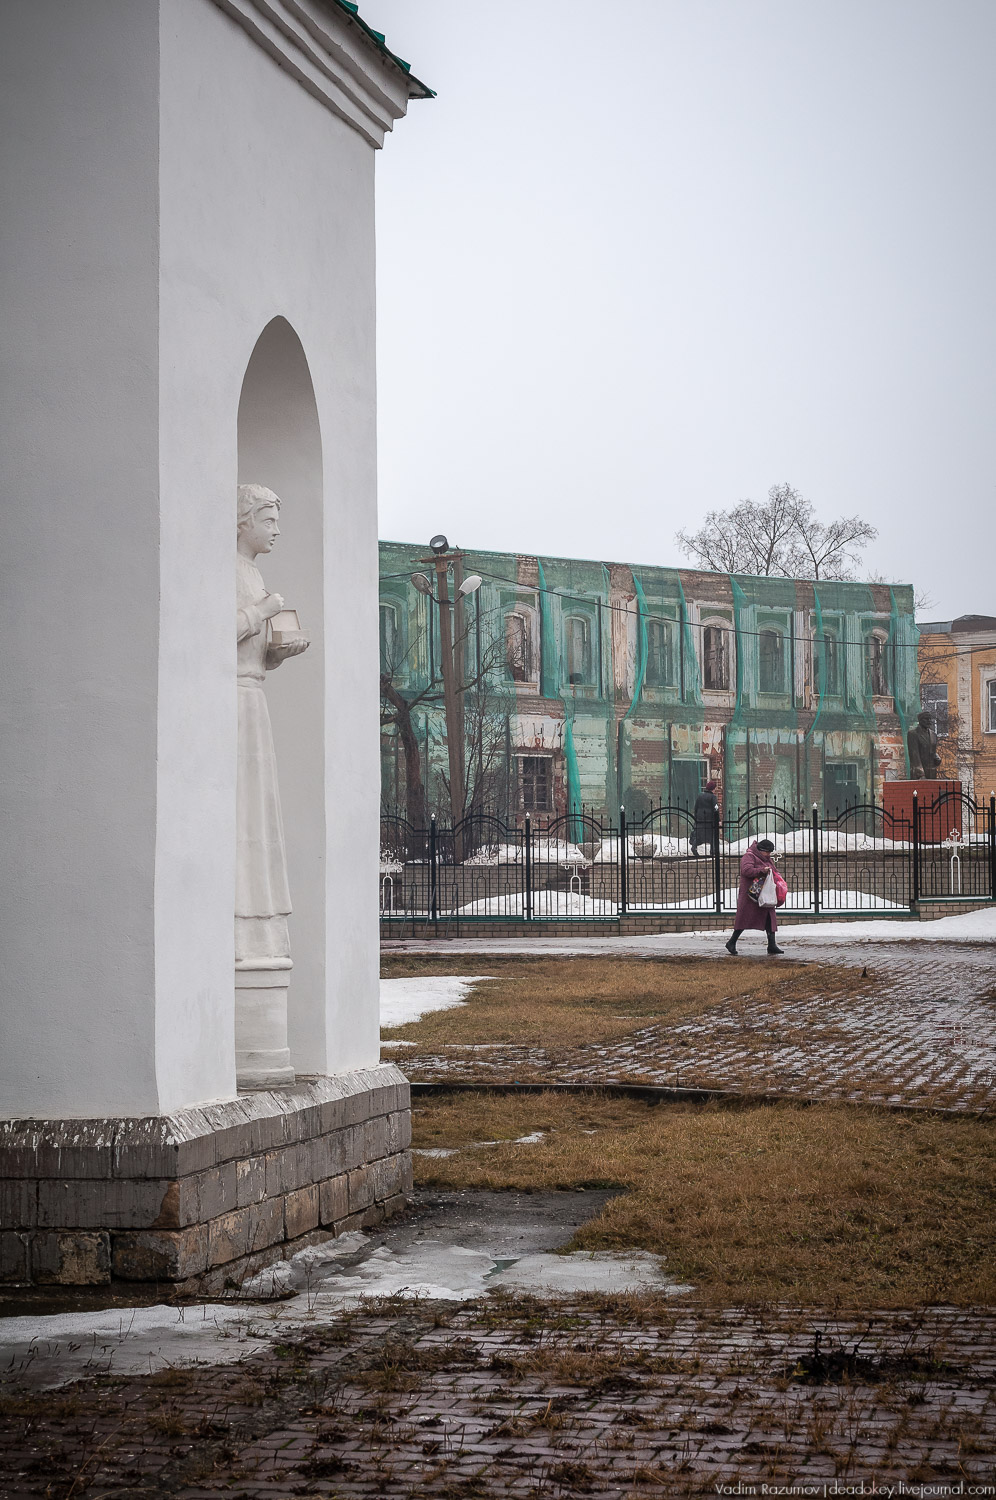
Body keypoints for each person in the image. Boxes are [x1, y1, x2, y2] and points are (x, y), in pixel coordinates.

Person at [725, 838, 784, 956]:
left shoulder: (766, 858)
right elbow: (746, 870)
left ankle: (772, 945)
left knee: (769, 918)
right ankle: (732, 942)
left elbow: (773, 870)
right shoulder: (749, 856)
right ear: (761, 850)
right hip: (751, 894)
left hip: (765, 894)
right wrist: (762, 870)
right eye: (767, 852)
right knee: (744, 919)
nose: (768, 855)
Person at [691, 779, 719, 858]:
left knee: (699, 836)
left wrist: (696, 817)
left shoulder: (700, 796)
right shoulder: (713, 797)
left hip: (700, 820)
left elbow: (696, 807)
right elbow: (716, 808)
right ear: (713, 789)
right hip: (710, 820)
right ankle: (712, 852)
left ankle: (694, 847)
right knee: (712, 836)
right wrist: (718, 819)